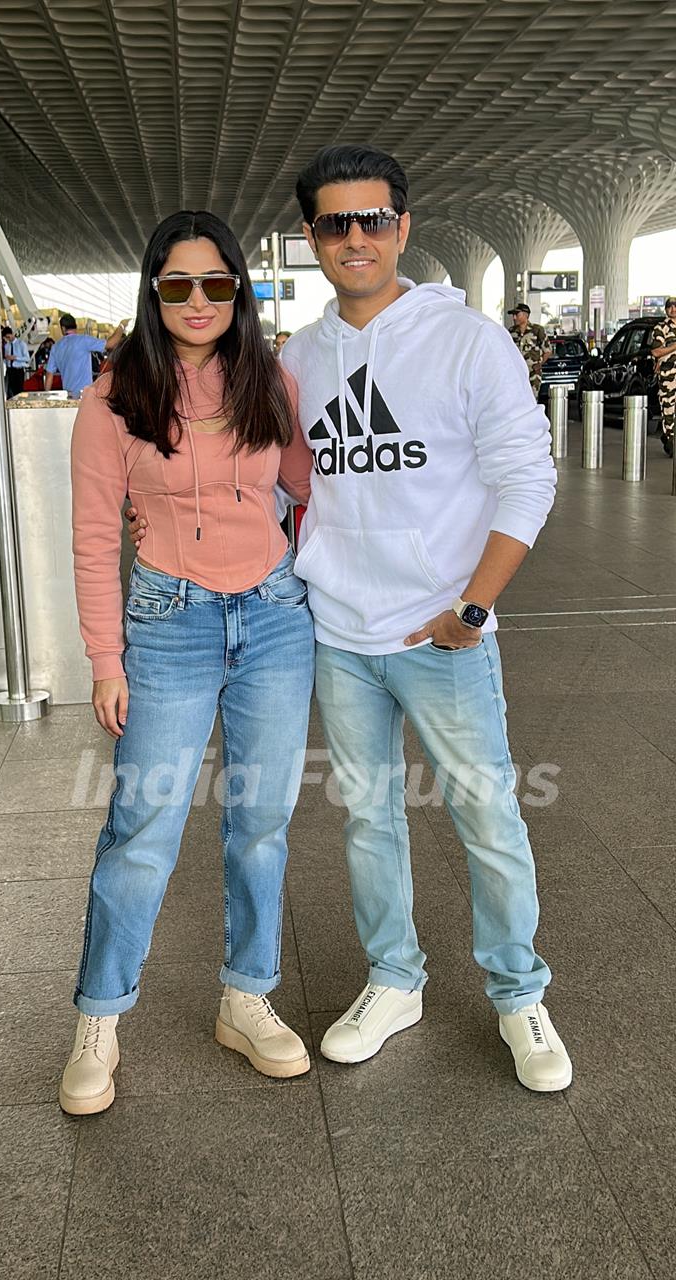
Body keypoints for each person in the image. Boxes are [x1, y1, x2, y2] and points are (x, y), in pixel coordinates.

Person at [128, 145, 573, 1094]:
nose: (356, 238)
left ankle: (517, 993)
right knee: (370, 818)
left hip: (442, 632)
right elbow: (284, 478)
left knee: (489, 814)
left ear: (403, 228)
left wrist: (472, 604)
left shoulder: (467, 342)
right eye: (336, 223)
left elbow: (527, 478)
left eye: (374, 219)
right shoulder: (300, 357)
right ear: (312, 239)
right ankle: (394, 978)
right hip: (336, 629)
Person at [61, 210, 315, 1117]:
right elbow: (95, 539)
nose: (198, 301)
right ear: (153, 291)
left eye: (216, 283)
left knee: (261, 821)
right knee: (143, 829)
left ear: (239, 288)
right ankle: (100, 1016)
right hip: (167, 620)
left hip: (276, 618)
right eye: (178, 285)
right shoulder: (112, 397)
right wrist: (105, 658)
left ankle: (247, 996)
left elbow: (306, 484)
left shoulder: (268, 379)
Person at [45, 313, 126, 399]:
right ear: (75, 326)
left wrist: (45, 398)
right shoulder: (84, 340)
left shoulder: (56, 347)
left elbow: (49, 376)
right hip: (86, 395)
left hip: (69, 396)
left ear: (63, 328)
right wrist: (122, 325)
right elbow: (111, 343)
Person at [507, 304, 552, 397]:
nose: (514, 318)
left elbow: (547, 351)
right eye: (513, 315)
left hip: (533, 373)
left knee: (532, 399)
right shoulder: (511, 332)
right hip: (516, 374)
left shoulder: (537, 330)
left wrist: (539, 364)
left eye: (517, 314)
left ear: (525, 315)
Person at [650, 297, 676, 457]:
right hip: (669, 377)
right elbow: (656, 351)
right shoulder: (661, 328)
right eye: (669, 306)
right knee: (669, 412)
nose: (673, 309)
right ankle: (669, 441)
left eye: (675, 306)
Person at [2, 327, 30, 398]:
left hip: (18, 370)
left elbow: (27, 358)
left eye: (8, 337)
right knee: (12, 390)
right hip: (10, 370)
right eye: (6, 338)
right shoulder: (7, 346)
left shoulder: (21, 344)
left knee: (19, 390)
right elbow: (6, 358)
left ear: (12, 334)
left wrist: (16, 358)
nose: (8, 339)